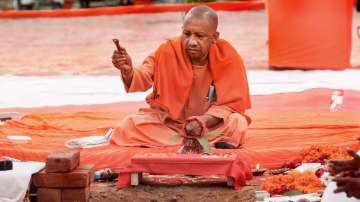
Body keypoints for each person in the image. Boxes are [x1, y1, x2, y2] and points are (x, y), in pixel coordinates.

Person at [111, 6, 251, 149]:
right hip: (170, 125)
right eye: (187, 34)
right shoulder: (167, 51)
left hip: (208, 125)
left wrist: (201, 122)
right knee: (129, 125)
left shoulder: (228, 58)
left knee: (237, 122)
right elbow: (143, 76)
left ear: (214, 37)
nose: (192, 42)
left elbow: (231, 104)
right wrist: (127, 71)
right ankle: (200, 144)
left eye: (199, 36)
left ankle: (186, 143)